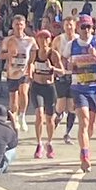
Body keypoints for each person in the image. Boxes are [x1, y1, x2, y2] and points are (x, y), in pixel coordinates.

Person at [68, 14, 96, 173]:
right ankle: (85, 156)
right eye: (83, 27)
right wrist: (68, 65)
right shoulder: (72, 45)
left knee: (91, 127)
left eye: (89, 27)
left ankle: (85, 144)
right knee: (84, 120)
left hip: (95, 89)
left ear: (92, 28)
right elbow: (62, 60)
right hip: (78, 89)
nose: (86, 30)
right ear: (78, 28)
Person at [0, 14, 36, 132]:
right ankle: (13, 118)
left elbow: (34, 53)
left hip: (24, 71)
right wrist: (9, 54)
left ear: (24, 25)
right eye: (16, 24)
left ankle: (22, 116)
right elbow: (0, 55)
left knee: (24, 92)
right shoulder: (8, 40)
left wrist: (31, 65)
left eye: (21, 24)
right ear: (12, 26)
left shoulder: (30, 40)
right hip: (12, 72)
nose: (19, 27)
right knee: (13, 98)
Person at [30, 29, 61, 158]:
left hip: (49, 88)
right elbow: (30, 65)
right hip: (37, 87)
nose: (44, 41)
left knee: (50, 119)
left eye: (46, 38)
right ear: (37, 40)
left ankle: (49, 142)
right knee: (39, 115)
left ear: (50, 40)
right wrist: (30, 70)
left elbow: (62, 71)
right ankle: (39, 144)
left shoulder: (53, 54)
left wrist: (53, 68)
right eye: (41, 38)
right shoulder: (35, 53)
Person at [52, 15, 77, 142]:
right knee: (61, 104)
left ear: (75, 26)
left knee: (72, 106)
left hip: (75, 75)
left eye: (71, 25)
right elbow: (51, 54)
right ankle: (58, 115)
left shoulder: (78, 39)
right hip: (61, 75)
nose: (68, 27)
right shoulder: (58, 39)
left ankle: (68, 133)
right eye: (66, 25)